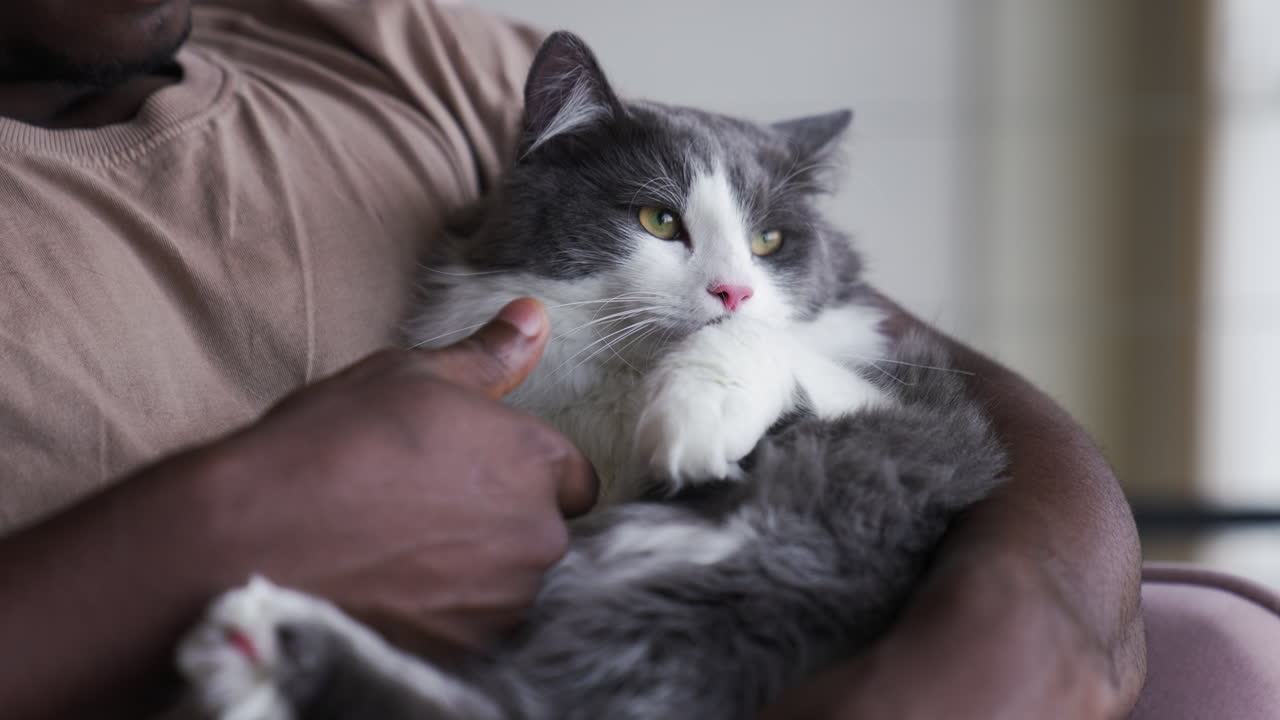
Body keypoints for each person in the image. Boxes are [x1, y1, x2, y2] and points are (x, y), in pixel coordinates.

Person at [0, 1, 1146, 718]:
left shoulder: (385, 43)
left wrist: (1017, 616)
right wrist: (212, 538)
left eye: (757, 248)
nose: (728, 286)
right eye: (661, 224)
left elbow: (940, 394)